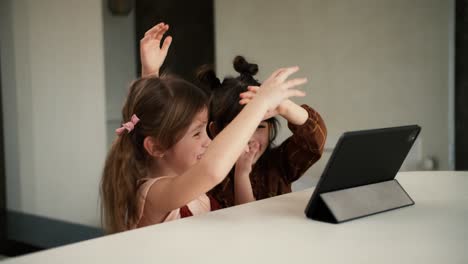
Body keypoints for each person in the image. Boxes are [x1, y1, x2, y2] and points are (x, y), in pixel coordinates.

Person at [100, 63, 308, 233]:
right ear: (157, 147)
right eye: (197, 133)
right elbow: (212, 170)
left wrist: (150, 72)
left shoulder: (185, 178)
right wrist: (259, 103)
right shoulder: (152, 194)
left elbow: (153, 117)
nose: (207, 142)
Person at [197, 56, 327, 207]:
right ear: (215, 130)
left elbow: (314, 143)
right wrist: (242, 174)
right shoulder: (208, 176)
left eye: (259, 127)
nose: (250, 138)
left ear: (270, 127)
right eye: (240, 128)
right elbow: (245, 223)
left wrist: (285, 107)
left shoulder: (279, 163)